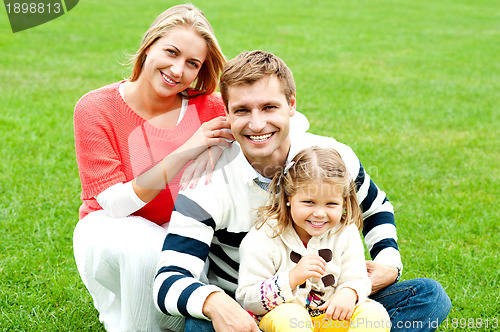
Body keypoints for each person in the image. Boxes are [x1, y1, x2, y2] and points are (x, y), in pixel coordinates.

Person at [154, 50, 451, 332]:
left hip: (333, 306)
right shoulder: (206, 182)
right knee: (199, 325)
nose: (257, 124)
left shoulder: (332, 157)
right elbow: (168, 280)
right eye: (242, 110)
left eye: (269, 107)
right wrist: (214, 302)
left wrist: (388, 264)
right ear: (228, 114)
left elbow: (377, 208)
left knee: (429, 297)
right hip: (254, 312)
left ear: (292, 104)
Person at [72, 4, 233, 331]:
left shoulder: (210, 108)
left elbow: (276, 124)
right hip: (111, 236)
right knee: (144, 246)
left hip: (181, 236)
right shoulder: (95, 109)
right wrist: (186, 149)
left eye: (192, 63)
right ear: (148, 47)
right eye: (171, 52)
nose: (177, 70)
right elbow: (115, 205)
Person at [236, 146, 391, 331]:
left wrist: (349, 292)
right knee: (290, 316)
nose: (319, 213)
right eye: (309, 202)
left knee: (375, 315)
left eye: (331, 204)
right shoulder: (264, 236)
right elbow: (248, 299)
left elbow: (357, 278)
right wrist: (292, 278)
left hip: (331, 318)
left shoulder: (345, 232)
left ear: (344, 202)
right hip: (283, 321)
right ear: (288, 197)